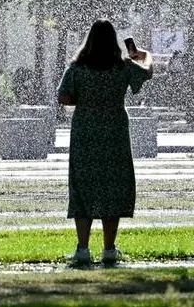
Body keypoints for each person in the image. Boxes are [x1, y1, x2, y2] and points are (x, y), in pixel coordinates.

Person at [57, 19, 153, 265]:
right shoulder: (123, 67)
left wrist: (87, 98)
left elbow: (64, 97)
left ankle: (82, 249)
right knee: (112, 184)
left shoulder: (77, 68)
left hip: (85, 132)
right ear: (113, 40)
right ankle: (109, 248)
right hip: (114, 132)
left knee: (83, 185)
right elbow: (148, 71)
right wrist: (144, 54)